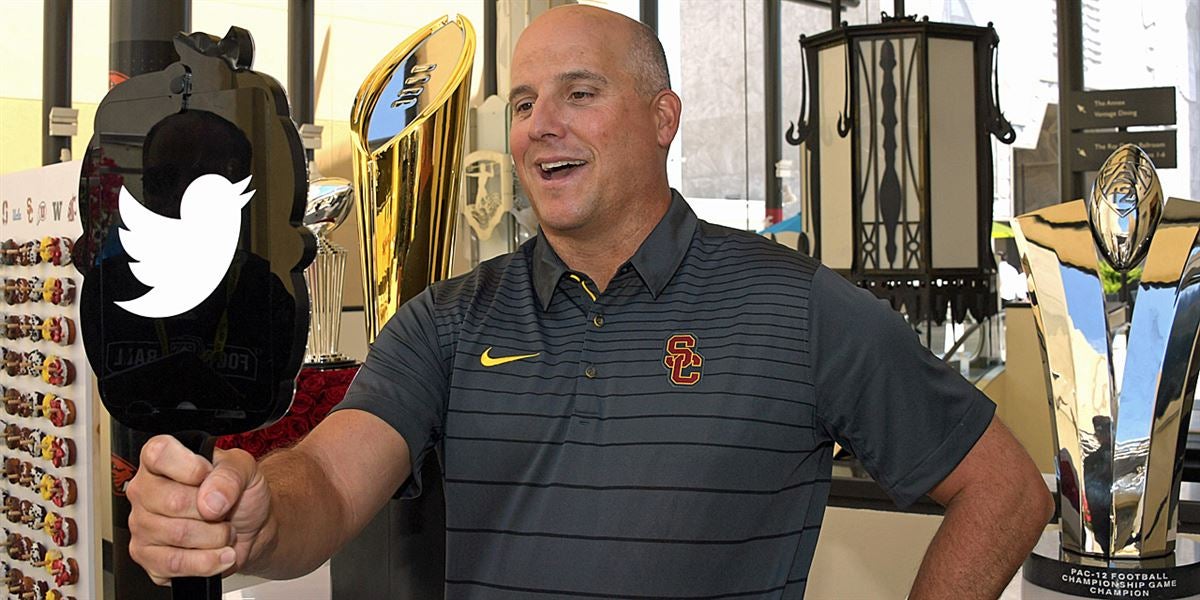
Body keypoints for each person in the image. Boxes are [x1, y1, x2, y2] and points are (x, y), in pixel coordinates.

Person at [126, 5, 1053, 598]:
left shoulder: (798, 308)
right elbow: (326, 481)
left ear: (662, 118)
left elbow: (1007, 490)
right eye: (524, 102)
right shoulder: (448, 322)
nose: (542, 126)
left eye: (580, 93)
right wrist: (254, 513)